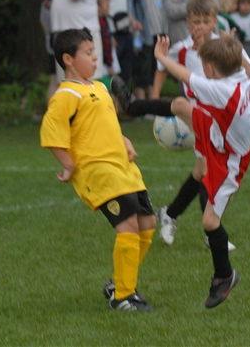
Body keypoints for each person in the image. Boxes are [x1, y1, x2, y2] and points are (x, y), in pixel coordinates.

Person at [111, 0, 250, 251]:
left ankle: (170, 213)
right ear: (188, 23)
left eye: (206, 21)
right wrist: (155, 97)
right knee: (205, 167)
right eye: (196, 21)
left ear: (215, 21)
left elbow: (248, 72)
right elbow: (164, 68)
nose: (200, 26)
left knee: (200, 171)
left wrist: (235, 47)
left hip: (221, 121)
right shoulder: (183, 49)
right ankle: (211, 232)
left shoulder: (225, 45)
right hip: (201, 119)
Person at [40, 28, 157, 312]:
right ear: (68, 59)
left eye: (95, 52)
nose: (95, 58)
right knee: (128, 226)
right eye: (89, 53)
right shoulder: (65, 95)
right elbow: (52, 135)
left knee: (147, 224)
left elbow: (106, 124)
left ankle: (118, 282)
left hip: (123, 167)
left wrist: (124, 140)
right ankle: (123, 296)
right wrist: (69, 165)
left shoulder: (100, 88)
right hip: (98, 170)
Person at [154, 34, 250, 308]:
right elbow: (246, 66)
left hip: (230, 160)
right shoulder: (243, 78)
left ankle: (225, 276)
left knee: (210, 222)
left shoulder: (221, 90)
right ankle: (131, 105)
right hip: (220, 137)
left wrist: (161, 57)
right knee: (180, 106)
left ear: (210, 69)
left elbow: (184, 75)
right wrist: (232, 45)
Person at [128, 0, 169, 101]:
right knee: (142, 67)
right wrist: (132, 20)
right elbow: (129, 0)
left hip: (161, 28)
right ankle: (141, 101)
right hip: (144, 29)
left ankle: (153, 99)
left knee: (157, 66)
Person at [98, 0, 141, 86]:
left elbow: (126, 4)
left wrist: (133, 21)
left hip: (126, 29)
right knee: (113, 71)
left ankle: (123, 98)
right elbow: (100, 7)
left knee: (126, 69)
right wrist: (107, 33)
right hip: (113, 31)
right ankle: (111, 98)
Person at [40, 0, 62, 102]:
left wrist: (48, 36)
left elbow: (43, 20)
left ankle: (52, 111)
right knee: (60, 79)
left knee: (54, 79)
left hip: (52, 39)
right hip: (60, 38)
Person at [98, 0, 121, 88]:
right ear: (98, 7)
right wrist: (109, 64)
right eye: (107, 5)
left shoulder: (104, 21)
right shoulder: (100, 23)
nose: (109, 8)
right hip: (104, 65)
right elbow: (105, 45)